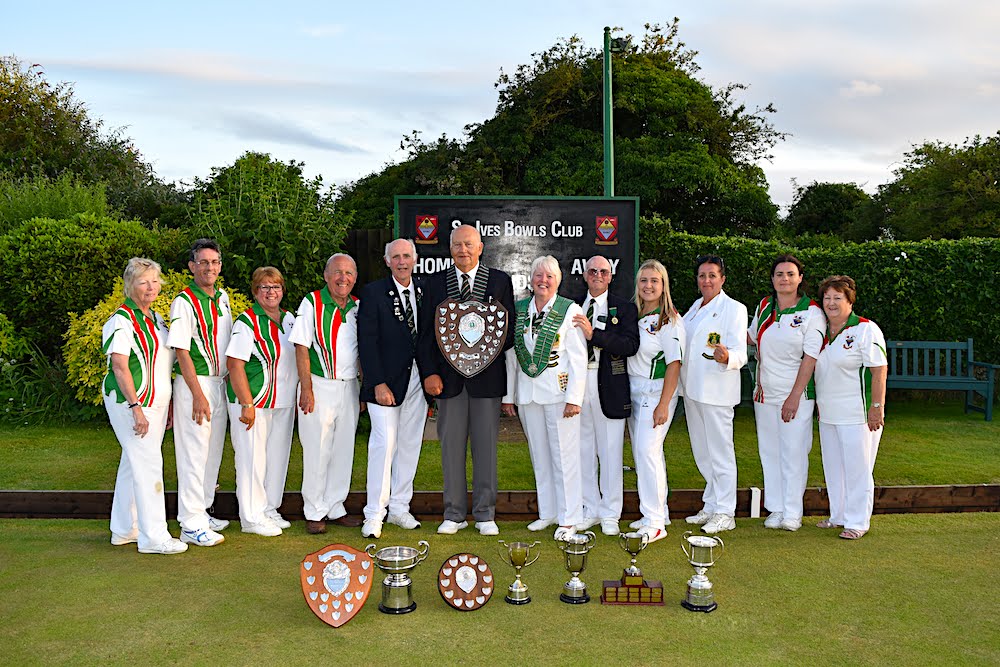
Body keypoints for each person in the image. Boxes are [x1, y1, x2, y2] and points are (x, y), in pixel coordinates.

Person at [418, 224, 515, 537]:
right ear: (450, 248)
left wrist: (480, 351)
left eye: (469, 244)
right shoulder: (435, 283)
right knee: (451, 449)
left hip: (487, 381)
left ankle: (485, 514)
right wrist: (429, 372)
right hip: (448, 382)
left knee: (486, 449)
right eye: (458, 245)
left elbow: (508, 331)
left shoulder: (499, 281)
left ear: (480, 247)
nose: (463, 250)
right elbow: (425, 334)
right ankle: (454, 513)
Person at [102, 257, 185, 554]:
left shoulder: (156, 319)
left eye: (154, 281)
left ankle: (124, 529)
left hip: (155, 403)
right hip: (132, 402)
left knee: (133, 462)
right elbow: (119, 366)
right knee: (148, 465)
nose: (151, 287)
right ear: (130, 285)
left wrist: (168, 404)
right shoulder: (122, 320)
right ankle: (154, 537)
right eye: (143, 282)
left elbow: (162, 365)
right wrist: (135, 407)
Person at [509, 255, 588, 541]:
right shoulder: (520, 309)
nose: (543, 281)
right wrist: (509, 395)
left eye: (549, 276)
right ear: (530, 280)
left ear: (558, 280)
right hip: (528, 394)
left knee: (564, 457)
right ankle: (548, 512)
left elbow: (579, 359)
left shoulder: (570, 310)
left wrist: (575, 398)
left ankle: (569, 518)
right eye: (538, 275)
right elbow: (512, 357)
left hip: (559, 395)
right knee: (539, 456)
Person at [748, 254, 825, 532]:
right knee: (769, 452)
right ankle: (776, 508)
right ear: (772, 278)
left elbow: (811, 357)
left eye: (791, 274)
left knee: (793, 453)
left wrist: (794, 396)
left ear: (800, 278)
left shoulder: (812, 312)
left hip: (796, 395)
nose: (785, 279)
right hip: (764, 394)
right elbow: (750, 337)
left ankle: (793, 512)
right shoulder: (765, 306)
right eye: (779, 274)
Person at [358, 238, 429, 539]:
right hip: (384, 383)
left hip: (417, 381)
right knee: (383, 445)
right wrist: (377, 382)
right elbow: (366, 341)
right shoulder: (373, 293)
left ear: (415, 259)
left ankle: (400, 508)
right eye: (396, 257)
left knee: (410, 445)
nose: (402, 262)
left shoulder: (424, 290)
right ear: (387, 261)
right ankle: (374, 514)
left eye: (406, 256)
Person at [290, 254, 364, 534]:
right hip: (319, 385)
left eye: (348, 273)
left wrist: (362, 389)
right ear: (326, 275)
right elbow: (300, 346)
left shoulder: (357, 306)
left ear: (355, 278)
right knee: (317, 450)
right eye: (337, 272)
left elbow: (360, 350)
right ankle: (314, 510)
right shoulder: (312, 302)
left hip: (349, 386)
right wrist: (306, 388)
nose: (343, 278)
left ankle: (335, 506)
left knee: (343, 450)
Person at [166, 238, 232, 548]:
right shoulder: (184, 301)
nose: (209, 267)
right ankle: (190, 523)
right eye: (203, 262)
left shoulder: (222, 297)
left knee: (212, 453)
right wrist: (197, 394)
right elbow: (181, 350)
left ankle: (203, 511)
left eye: (214, 262)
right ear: (192, 266)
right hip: (196, 385)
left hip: (218, 383)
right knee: (193, 455)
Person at [814, 275, 887, 540]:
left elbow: (879, 371)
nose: (831, 303)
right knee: (834, 468)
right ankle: (839, 516)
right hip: (828, 413)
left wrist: (876, 407)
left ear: (850, 301)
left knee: (858, 469)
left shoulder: (865, 329)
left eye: (838, 298)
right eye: (827, 298)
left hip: (858, 414)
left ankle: (857, 521)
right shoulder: (820, 331)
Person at [225, 267, 297, 536]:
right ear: (255, 292)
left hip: (283, 401)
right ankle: (252, 517)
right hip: (254, 401)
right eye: (264, 287)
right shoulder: (247, 322)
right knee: (252, 460)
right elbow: (234, 364)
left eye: (276, 287)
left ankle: (269, 508)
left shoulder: (289, 320)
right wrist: (246, 403)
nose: (271, 292)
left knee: (277, 458)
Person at [571, 255, 639, 536]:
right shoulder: (572, 306)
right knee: (583, 451)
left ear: (610, 276)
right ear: (585, 275)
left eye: (603, 271)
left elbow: (630, 345)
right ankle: (590, 509)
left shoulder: (625, 308)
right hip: (577, 385)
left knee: (610, 452)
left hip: (609, 384)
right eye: (592, 271)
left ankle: (611, 513)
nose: (597, 275)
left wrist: (594, 335)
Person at [681, 255, 748, 535]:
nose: (706, 280)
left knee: (721, 454)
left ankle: (725, 512)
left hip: (717, 391)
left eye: (712, 275)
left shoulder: (734, 309)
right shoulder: (694, 308)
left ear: (722, 279)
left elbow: (741, 353)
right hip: (692, 390)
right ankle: (711, 504)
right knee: (702, 452)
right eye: (702, 276)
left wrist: (727, 357)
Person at [626, 259, 686, 544]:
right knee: (646, 455)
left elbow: (675, 364)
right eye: (644, 280)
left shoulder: (670, 320)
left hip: (657, 392)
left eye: (654, 281)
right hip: (634, 391)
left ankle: (655, 523)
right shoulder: (634, 313)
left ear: (664, 286)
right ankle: (657, 512)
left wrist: (664, 404)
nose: (648, 286)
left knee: (646, 452)